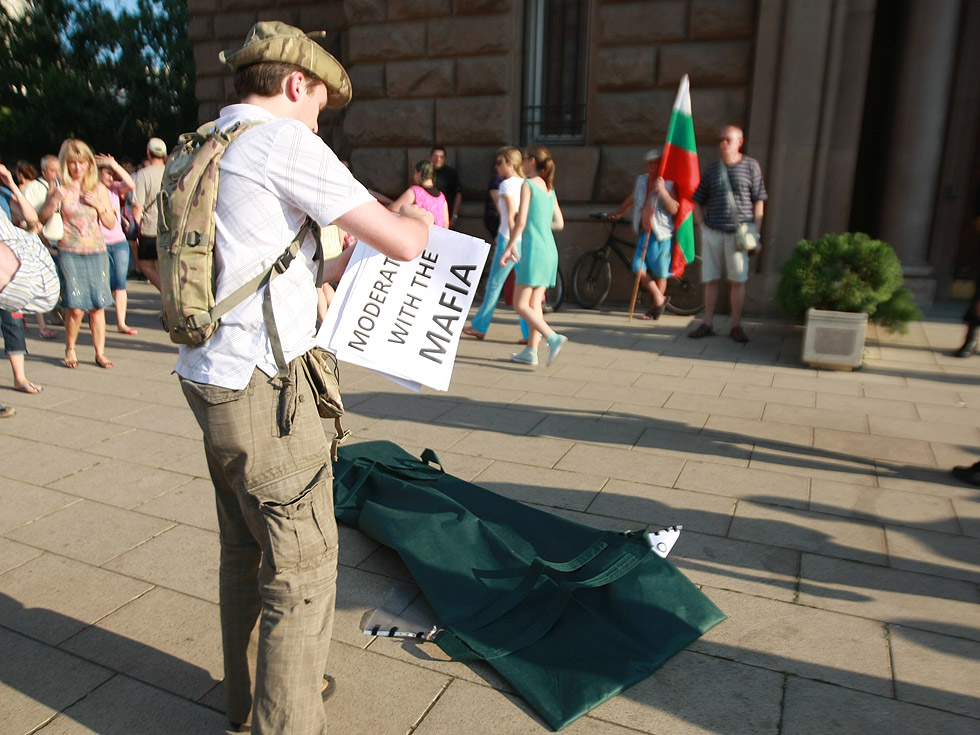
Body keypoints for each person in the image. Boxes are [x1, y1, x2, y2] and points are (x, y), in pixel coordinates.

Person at [176, 21, 433, 734]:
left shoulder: (204, 144)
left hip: (209, 377)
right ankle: (284, 719)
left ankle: (252, 699)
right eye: (321, 101)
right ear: (296, 85)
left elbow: (261, 269)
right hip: (266, 389)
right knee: (304, 567)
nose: (321, 118)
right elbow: (407, 242)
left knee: (245, 550)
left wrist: (337, 267)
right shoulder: (284, 141)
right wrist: (409, 212)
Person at [39, 139, 116, 369]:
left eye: (82, 162)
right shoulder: (59, 185)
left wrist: (101, 207)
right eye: (73, 163)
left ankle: (100, 352)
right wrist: (54, 199)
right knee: (75, 305)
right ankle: (70, 348)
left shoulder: (98, 187)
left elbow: (111, 223)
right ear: (66, 163)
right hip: (70, 251)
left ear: (89, 163)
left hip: (97, 251)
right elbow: (42, 217)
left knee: (98, 305)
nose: (78, 168)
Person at [688, 124, 767, 343]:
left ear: (739, 142)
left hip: (738, 233)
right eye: (721, 140)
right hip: (713, 231)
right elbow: (697, 199)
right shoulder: (713, 169)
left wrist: (756, 235)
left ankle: (736, 326)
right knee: (711, 279)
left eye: (728, 140)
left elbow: (759, 200)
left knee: (737, 281)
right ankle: (707, 323)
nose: (723, 143)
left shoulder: (751, 166)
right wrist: (701, 225)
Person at [501, 145, 568, 367]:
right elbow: (559, 223)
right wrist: (538, 223)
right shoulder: (550, 189)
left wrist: (510, 245)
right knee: (533, 303)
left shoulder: (528, 185)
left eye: (525, 159)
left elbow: (520, 222)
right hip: (550, 250)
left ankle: (552, 337)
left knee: (520, 305)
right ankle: (531, 350)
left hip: (535, 251)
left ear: (531, 161)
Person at [0, 202, 60, 417]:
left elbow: (32, 220)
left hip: (12, 280)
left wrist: (12, 187)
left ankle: (20, 378)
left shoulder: (5, 194)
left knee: (13, 324)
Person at [463, 146, 526, 340]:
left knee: (494, 286)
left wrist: (509, 243)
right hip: (524, 240)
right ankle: (530, 333)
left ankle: (480, 326)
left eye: (499, 162)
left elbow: (510, 217)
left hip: (509, 238)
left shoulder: (506, 185)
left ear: (510, 163)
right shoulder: (526, 183)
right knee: (523, 288)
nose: (496, 167)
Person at [611, 148, 679, 320]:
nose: (650, 166)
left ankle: (654, 310)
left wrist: (662, 191)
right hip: (644, 232)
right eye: (648, 162)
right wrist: (619, 213)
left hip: (661, 233)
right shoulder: (641, 181)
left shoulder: (668, 183)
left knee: (661, 272)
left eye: (654, 162)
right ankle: (659, 298)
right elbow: (632, 198)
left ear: (661, 164)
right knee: (637, 267)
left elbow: (674, 208)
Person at [96, 154, 138, 334]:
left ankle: (121, 322)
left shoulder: (115, 189)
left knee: (120, 283)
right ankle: (99, 322)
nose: (111, 177)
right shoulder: (90, 190)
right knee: (103, 284)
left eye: (113, 174)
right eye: (107, 173)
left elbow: (131, 184)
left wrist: (113, 164)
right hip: (99, 243)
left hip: (119, 241)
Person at [131, 137, 167, 290]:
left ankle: (167, 296)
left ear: (148, 153)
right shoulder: (173, 172)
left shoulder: (143, 175)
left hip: (150, 227)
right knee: (163, 266)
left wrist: (134, 232)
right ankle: (166, 300)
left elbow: (138, 206)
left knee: (145, 264)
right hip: (170, 226)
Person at [388, 160, 449, 227]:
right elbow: (446, 224)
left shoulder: (415, 191)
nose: (414, 176)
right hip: (437, 236)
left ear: (420, 173)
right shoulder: (441, 197)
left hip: (419, 234)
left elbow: (393, 209)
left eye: (415, 172)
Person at [430, 145, 462, 228]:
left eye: (441, 157)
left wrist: (454, 216)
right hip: (427, 215)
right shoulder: (425, 172)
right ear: (431, 157)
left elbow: (458, 194)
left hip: (446, 216)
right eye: (435, 156)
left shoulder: (451, 173)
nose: (438, 159)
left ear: (445, 158)